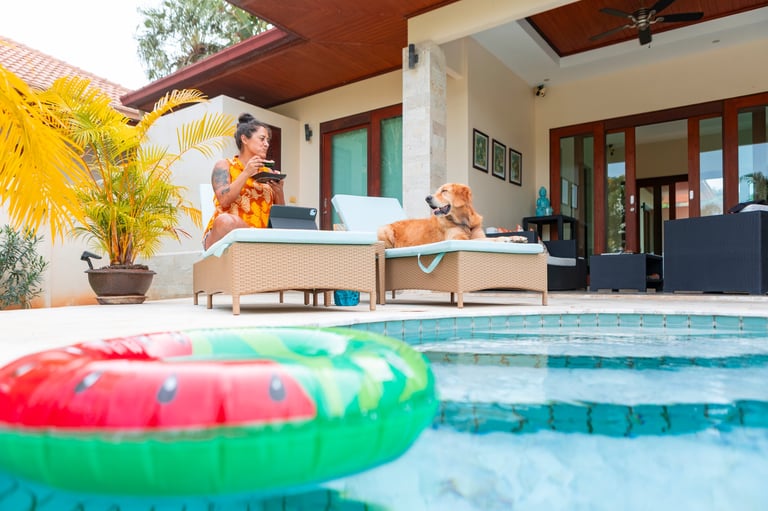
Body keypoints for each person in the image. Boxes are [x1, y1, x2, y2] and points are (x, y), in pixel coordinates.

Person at [202, 113, 285, 249]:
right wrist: (246, 172)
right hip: (224, 235)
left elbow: (280, 218)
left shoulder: (267, 172)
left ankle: (259, 244)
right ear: (245, 139)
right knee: (226, 221)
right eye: (262, 139)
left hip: (260, 238)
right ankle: (259, 244)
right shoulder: (224, 165)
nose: (267, 144)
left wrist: (279, 192)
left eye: (268, 140)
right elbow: (224, 200)